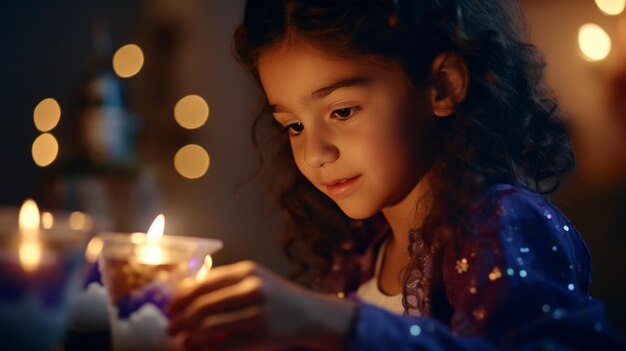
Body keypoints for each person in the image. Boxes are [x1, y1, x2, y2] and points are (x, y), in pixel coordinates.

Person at [166, 0, 626, 350]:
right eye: (294, 126)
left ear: (442, 85)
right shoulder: (362, 249)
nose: (315, 152)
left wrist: (330, 321)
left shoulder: (501, 223)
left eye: (342, 111)